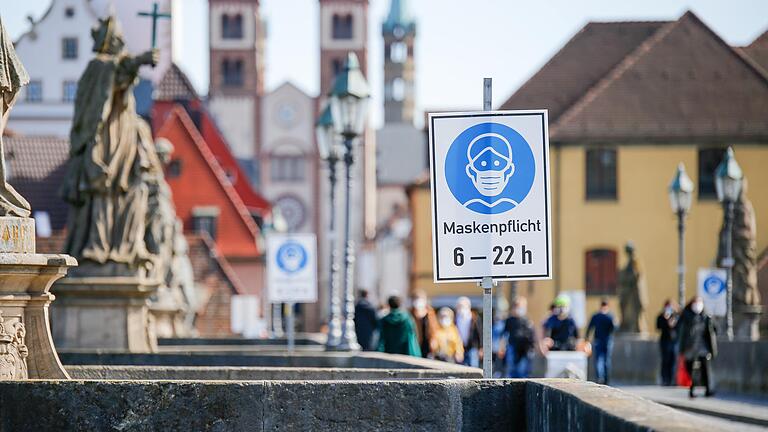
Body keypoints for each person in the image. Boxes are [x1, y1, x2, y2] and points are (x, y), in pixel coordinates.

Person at [678, 297, 717, 398]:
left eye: (699, 303)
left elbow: (713, 331)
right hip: (689, 347)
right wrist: (682, 349)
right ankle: (691, 390)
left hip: (703, 347)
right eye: (696, 303)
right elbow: (681, 332)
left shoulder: (706, 316)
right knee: (690, 369)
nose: (697, 305)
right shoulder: (686, 316)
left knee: (705, 368)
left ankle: (708, 389)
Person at [502, 297, 536, 378]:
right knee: (512, 370)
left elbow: (532, 335)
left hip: (525, 349)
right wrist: (502, 347)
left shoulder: (527, 320)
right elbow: (504, 334)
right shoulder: (510, 320)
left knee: (523, 370)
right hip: (513, 347)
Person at [586, 300, 616, 385]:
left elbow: (590, 327)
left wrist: (587, 338)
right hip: (607, 340)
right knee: (607, 360)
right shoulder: (610, 316)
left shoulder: (596, 316)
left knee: (599, 360)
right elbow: (614, 328)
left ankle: (599, 377)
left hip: (598, 340)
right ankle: (606, 379)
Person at [656, 300, 679, 386]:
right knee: (665, 360)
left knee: (673, 361)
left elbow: (679, 328)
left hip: (674, 341)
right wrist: (665, 321)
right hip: (665, 341)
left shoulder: (676, 316)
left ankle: (672, 379)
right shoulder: (661, 316)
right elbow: (658, 327)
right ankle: (664, 379)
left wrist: (673, 323)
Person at [410, 290, 438, 358]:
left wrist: (434, 340)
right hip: (415, 343)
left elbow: (434, 328)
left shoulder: (430, 313)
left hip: (427, 344)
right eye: (416, 299)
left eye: (420, 299)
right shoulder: (410, 313)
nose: (418, 301)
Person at [455, 296, 482, 367]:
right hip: (460, 348)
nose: (461, 308)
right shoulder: (455, 318)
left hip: (472, 347)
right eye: (459, 306)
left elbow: (480, 333)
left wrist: (481, 347)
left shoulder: (474, 318)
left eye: (463, 306)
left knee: (473, 367)